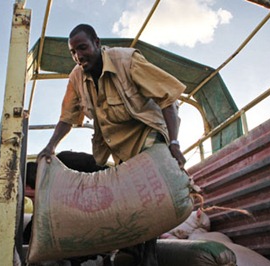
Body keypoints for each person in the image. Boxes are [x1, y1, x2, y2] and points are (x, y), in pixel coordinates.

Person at [37, 23, 187, 266]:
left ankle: (149, 257)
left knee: (147, 196)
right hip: (119, 148)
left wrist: (174, 143)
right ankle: (138, 251)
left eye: (83, 48)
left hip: (147, 134)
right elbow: (67, 117)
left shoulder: (126, 60)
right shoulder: (76, 77)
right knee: (131, 202)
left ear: (97, 42)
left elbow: (168, 98)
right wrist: (50, 146)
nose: (78, 56)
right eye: (73, 53)